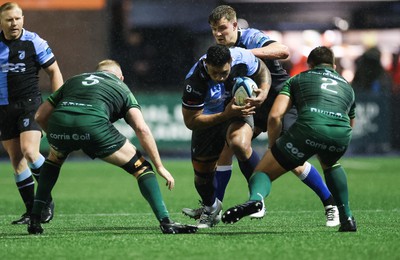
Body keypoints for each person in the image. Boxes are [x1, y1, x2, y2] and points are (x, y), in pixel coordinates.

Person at [182, 4, 340, 227]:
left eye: (223, 28)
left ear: (235, 25)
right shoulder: (218, 58)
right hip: (252, 106)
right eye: (214, 29)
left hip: (279, 100)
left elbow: (283, 51)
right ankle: (215, 207)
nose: (218, 34)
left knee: (290, 158)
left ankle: (330, 203)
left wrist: (245, 54)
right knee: (230, 146)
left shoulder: (250, 38)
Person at [27, 60, 197, 235]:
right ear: (121, 77)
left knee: (54, 159)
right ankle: (166, 222)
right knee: (142, 168)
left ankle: (34, 218)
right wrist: (160, 166)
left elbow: (40, 116)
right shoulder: (122, 87)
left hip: (59, 123)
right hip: (93, 125)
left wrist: (59, 139)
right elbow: (141, 128)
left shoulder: (75, 80)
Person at [221, 46, 357, 232]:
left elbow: (275, 116)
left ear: (309, 65)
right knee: (331, 164)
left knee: (262, 173)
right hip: (340, 135)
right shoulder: (347, 86)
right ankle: (347, 217)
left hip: (308, 128)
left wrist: (273, 147)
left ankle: (256, 201)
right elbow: (350, 123)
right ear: (334, 66)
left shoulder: (299, 79)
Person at [181, 44, 271, 228]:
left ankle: (257, 200)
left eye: (223, 73)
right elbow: (191, 122)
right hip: (209, 118)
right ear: (206, 64)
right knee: (201, 176)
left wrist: (264, 91)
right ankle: (211, 208)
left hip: (237, 111)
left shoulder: (241, 57)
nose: (220, 78)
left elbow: (262, 69)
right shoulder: (194, 81)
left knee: (238, 143)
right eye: (214, 73)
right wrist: (224, 115)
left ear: (231, 62)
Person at [0, 2, 63, 225]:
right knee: (16, 160)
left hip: (29, 104)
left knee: (29, 151)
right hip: (4, 108)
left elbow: (54, 71)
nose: (14, 23)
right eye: (9, 19)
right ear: (1, 22)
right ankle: (31, 211)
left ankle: (45, 201)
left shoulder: (34, 41)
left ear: (23, 19)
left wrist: (57, 104)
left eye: (17, 18)